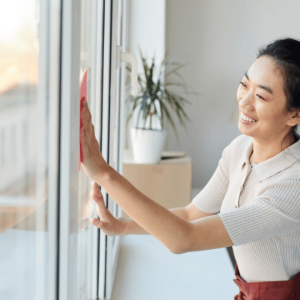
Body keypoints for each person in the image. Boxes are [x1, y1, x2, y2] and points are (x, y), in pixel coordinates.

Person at [80, 38, 300, 300]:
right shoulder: (239, 148)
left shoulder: (293, 185)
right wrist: (122, 226)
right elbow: (190, 215)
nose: (245, 101)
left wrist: (103, 173)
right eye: (244, 85)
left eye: (261, 96)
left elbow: (184, 238)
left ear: (295, 115)